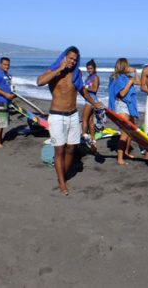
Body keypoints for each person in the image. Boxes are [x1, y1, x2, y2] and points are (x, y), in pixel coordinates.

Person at [37, 47, 100, 196]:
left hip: (72, 115)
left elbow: (83, 91)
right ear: (65, 57)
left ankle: (62, 175)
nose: (72, 61)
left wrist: (94, 103)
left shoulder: (76, 74)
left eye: (75, 59)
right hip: (57, 115)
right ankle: (61, 182)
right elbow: (39, 81)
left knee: (71, 148)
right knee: (59, 149)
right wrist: (59, 68)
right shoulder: (54, 71)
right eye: (70, 58)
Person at [108, 58, 140, 165]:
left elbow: (139, 82)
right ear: (123, 66)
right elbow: (122, 94)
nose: (128, 67)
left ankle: (125, 152)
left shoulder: (126, 77)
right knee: (125, 133)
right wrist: (130, 82)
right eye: (127, 66)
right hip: (122, 106)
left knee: (131, 132)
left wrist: (135, 72)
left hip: (129, 106)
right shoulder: (117, 78)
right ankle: (120, 158)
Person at [0, 57, 15, 148]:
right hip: (0, 100)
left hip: (7, 101)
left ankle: (0, 138)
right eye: (5, 64)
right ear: (0, 64)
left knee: (4, 121)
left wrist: (12, 95)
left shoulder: (8, 75)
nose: (7, 66)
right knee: (0, 120)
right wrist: (5, 95)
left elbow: (9, 88)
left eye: (8, 64)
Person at [81, 59, 106, 144]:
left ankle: (84, 135)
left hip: (91, 100)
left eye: (91, 68)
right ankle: (93, 139)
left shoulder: (95, 77)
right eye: (88, 68)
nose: (89, 70)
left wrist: (85, 88)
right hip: (89, 99)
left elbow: (94, 89)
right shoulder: (88, 77)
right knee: (90, 121)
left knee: (84, 119)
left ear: (94, 68)